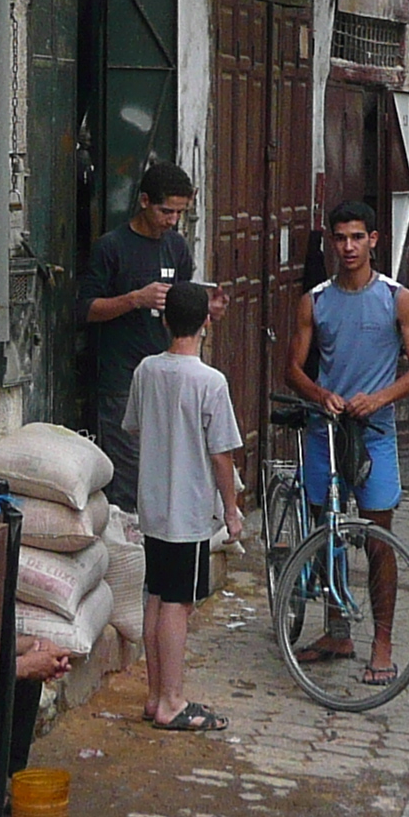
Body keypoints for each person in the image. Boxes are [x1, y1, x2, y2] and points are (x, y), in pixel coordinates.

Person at [284, 202, 409, 684]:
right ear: (331, 240)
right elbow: (293, 369)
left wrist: (380, 397)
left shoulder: (397, 298)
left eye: (357, 237)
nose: (348, 246)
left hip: (375, 432)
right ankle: (336, 628)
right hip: (326, 429)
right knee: (324, 528)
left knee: (377, 535)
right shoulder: (316, 301)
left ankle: (382, 642)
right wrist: (321, 394)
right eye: (340, 238)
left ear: (374, 240)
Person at [121, 282, 244, 733]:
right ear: (206, 322)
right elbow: (222, 454)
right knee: (178, 605)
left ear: (165, 319)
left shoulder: (146, 370)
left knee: (157, 597)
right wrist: (230, 509)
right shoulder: (210, 381)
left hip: (152, 504)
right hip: (188, 510)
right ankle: (172, 700)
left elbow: (133, 427)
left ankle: (156, 696)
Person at [79, 161, 196, 510]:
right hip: (121, 381)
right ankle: (128, 556)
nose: (172, 220)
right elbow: (85, 309)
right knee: (127, 477)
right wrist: (134, 300)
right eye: (166, 211)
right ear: (144, 201)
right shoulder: (111, 247)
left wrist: (206, 308)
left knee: (168, 472)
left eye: (179, 213)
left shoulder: (177, 247)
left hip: (167, 378)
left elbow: (185, 305)